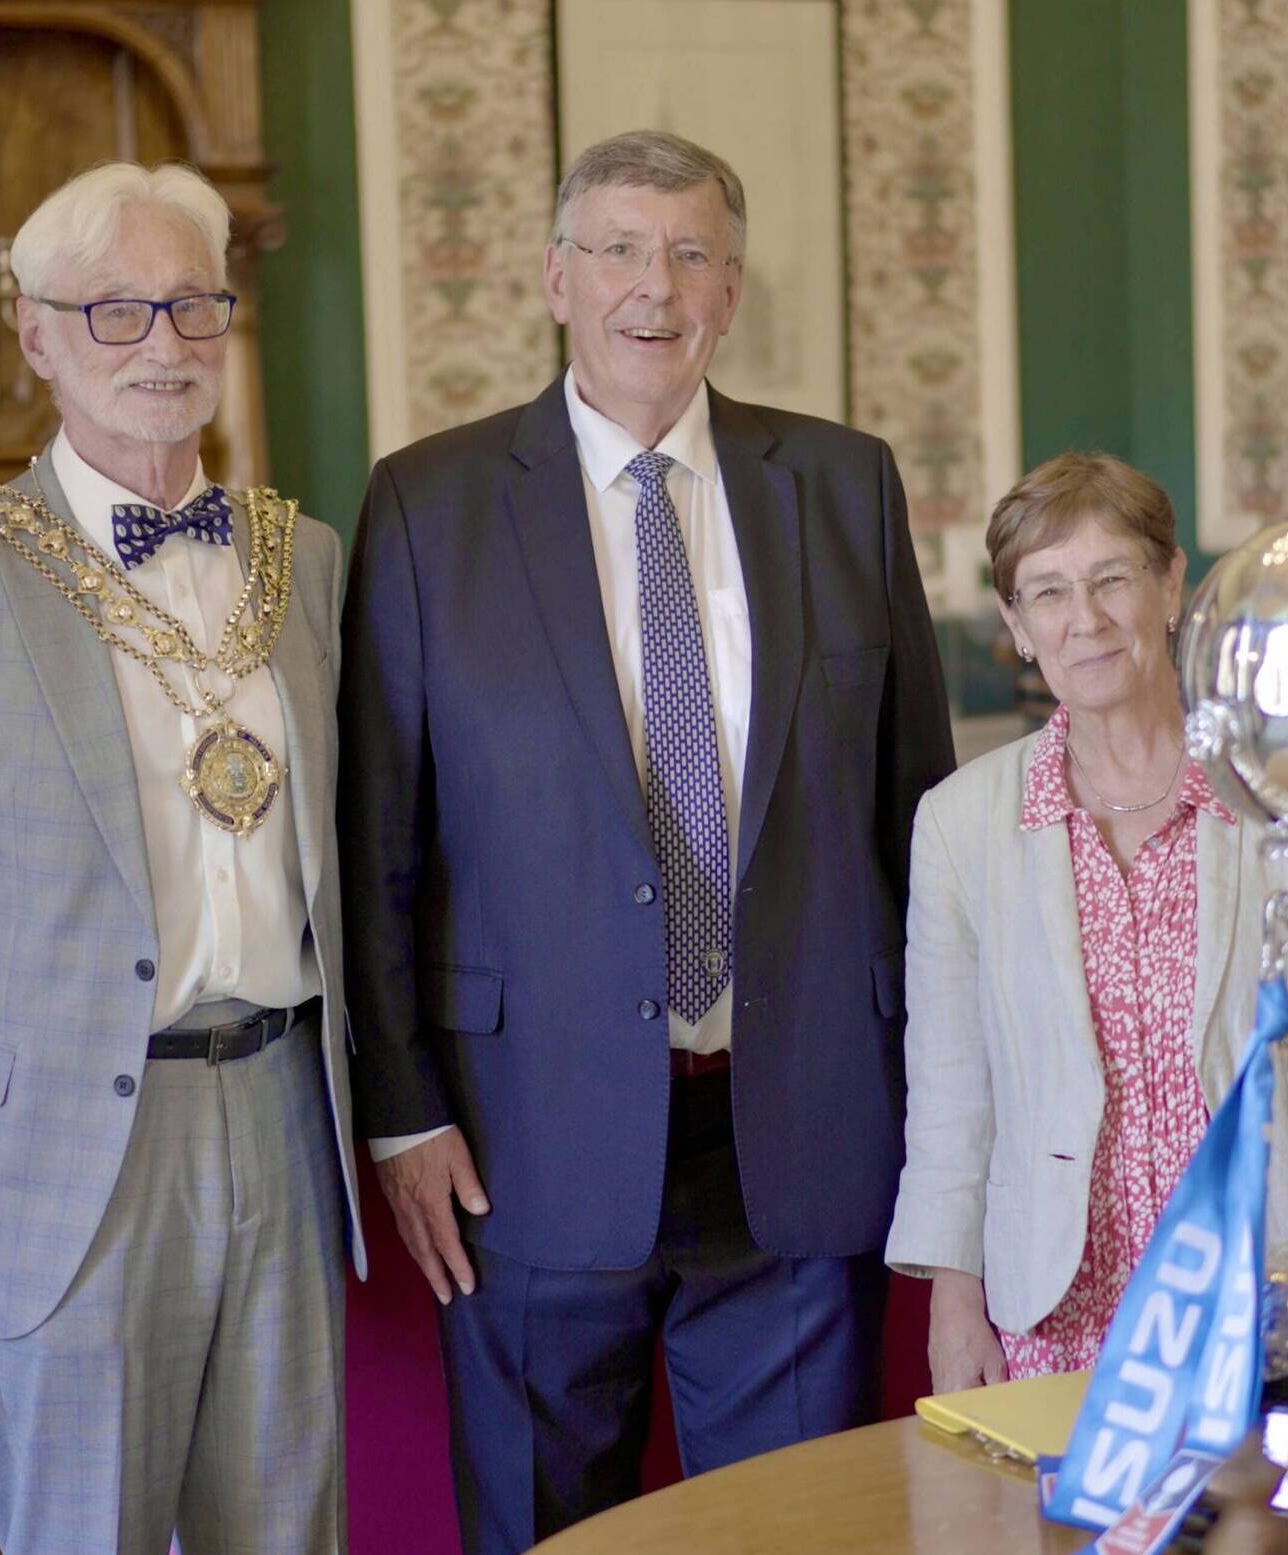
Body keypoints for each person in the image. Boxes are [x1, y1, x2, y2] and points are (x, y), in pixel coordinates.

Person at [339, 129, 956, 1552]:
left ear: (731, 291)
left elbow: (916, 817)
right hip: (525, 1140)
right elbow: (378, 838)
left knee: (798, 1535)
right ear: (557, 278)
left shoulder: (845, 484)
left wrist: (945, 1091)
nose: (652, 286)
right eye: (617, 248)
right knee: (546, 1534)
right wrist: (403, 1103)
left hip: (798, 1133)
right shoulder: (427, 504)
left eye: (689, 253)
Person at [0, 161, 364, 1553]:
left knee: (283, 1527)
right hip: (69, 1143)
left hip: (284, 1107)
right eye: (116, 310)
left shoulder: (304, 558)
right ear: (37, 334)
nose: (166, 344)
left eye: (194, 305)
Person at [885, 452, 1288, 1390]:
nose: (1086, 619)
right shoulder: (962, 824)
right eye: (1048, 592)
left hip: (1283, 1279)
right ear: (1017, 627)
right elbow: (952, 1092)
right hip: (1064, 1306)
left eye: (1113, 578)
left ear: (1170, 586)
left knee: (1282, 1534)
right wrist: (955, 1301)